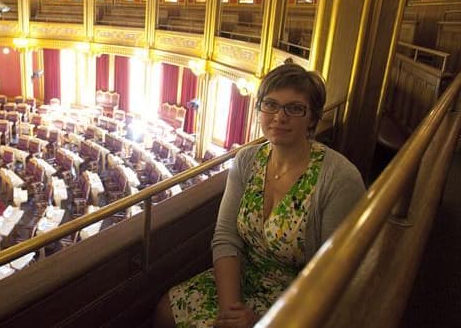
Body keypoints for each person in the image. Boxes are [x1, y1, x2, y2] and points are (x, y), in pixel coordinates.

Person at [154, 63, 365, 328]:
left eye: (295, 108)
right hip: (242, 278)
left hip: (297, 296)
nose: (279, 116)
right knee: (166, 310)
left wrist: (264, 320)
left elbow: (332, 277)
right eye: (271, 104)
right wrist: (231, 310)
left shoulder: (339, 178)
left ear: (312, 118)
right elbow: (226, 236)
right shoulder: (247, 159)